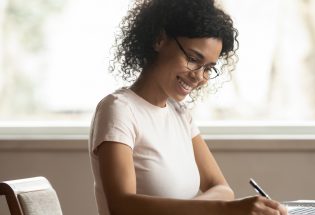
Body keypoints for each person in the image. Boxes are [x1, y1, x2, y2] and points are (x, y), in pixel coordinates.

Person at [89, 0, 288, 214]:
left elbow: (221, 188)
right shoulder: (119, 109)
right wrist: (222, 209)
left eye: (208, 68)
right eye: (193, 59)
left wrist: (215, 207)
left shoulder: (179, 113)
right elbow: (122, 205)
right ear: (159, 39)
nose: (199, 76)